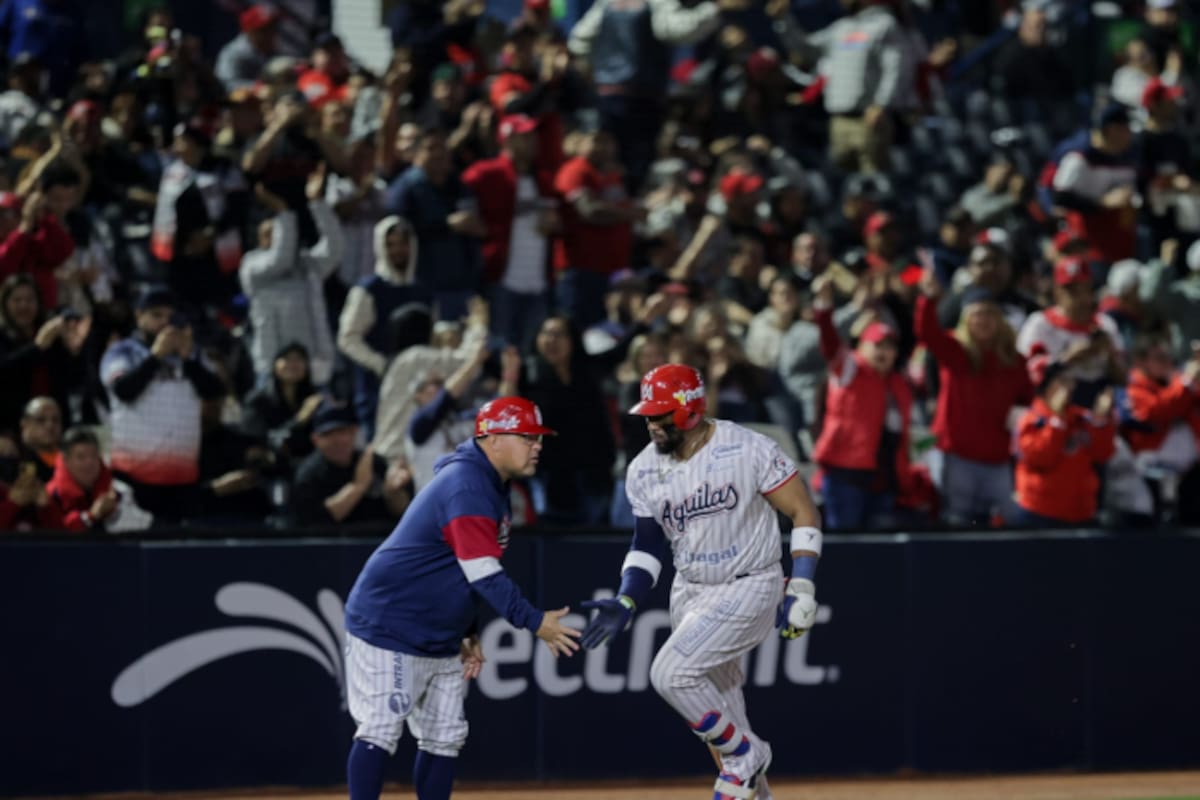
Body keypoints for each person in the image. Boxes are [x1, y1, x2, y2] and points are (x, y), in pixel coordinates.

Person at [577, 364, 822, 800]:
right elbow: (647, 545)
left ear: (689, 410)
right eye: (648, 415)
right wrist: (627, 599)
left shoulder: (747, 447)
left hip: (750, 582)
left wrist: (801, 585)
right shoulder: (643, 468)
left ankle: (748, 754)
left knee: (670, 674)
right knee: (724, 716)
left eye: (660, 415)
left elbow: (803, 510)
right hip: (690, 591)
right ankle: (748, 771)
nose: (651, 424)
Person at [343, 396, 581, 800]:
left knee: (444, 737)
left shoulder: (490, 483)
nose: (537, 446)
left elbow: (460, 569)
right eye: (527, 437)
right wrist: (534, 620)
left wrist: (467, 628)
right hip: (389, 624)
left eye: (539, 438)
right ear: (492, 439)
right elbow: (483, 573)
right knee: (380, 729)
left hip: (437, 630)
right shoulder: (467, 485)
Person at [290, 401, 412, 527]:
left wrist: (392, 492)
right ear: (315, 439)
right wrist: (358, 486)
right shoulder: (308, 474)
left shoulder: (374, 462)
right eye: (328, 434)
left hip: (379, 536)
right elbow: (316, 522)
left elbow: (400, 513)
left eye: (343, 431)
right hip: (335, 538)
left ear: (354, 432)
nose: (339, 441)